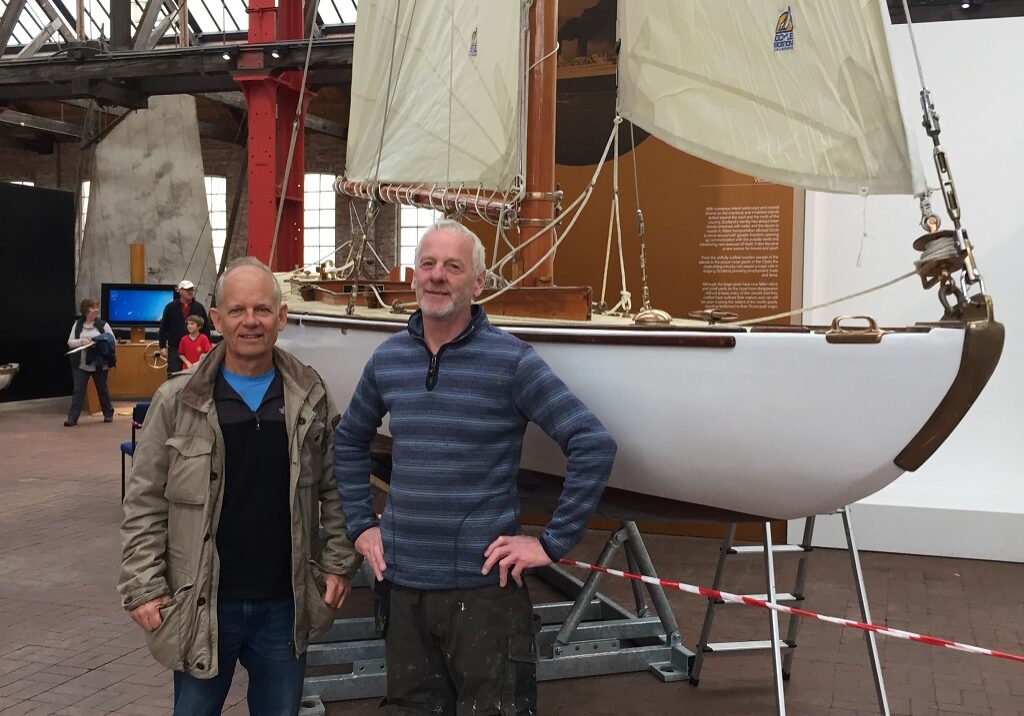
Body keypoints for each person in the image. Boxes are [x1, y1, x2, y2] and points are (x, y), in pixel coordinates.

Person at [334, 220, 618, 715]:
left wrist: (550, 542)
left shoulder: (511, 362)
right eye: (427, 264)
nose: (437, 276)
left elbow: (592, 443)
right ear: (415, 277)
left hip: (483, 593)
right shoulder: (388, 360)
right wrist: (361, 525)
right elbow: (350, 439)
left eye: (453, 266)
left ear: (478, 283)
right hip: (404, 591)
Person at [120, 257, 361, 716]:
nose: (250, 321)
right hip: (202, 604)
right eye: (237, 310)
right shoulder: (177, 401)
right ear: (217, 319)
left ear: (281, 316)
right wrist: (144, 586)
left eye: (262, 310)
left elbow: (337, 488)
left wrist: (337, 564)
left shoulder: (310, 396)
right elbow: (145, 502)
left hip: (284, 607)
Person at [65, 298, 115, 426]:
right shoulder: (77, 325)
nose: (96, 310)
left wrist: (97, 342)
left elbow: (112, 341)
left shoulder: (103, 325)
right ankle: (72, 418)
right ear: (86, 311)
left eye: (97, 307)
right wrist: (81, 341)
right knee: (78, 390)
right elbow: (70, 342)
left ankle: (108, 414)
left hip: (99, 364)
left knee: (102, 389)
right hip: (81, 365)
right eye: (93, 308)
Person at [159, 279, 211, 376]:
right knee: (174, 375)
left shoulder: (199, 308)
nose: (190, 292)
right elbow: (163, 327)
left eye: (191, 289)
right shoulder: (170, 307)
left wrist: (208, 345)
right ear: (180, 291)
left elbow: (206, 328)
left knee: (196, 376)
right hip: (175, 348)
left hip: (195, 348)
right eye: (187, 289)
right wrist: (162, 346)